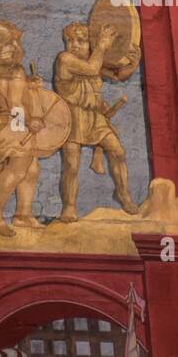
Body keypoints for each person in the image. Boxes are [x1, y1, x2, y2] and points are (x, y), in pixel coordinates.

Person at [53, 21, 138, 221]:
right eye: (70, 40)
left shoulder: (93, 60)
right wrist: (102, 45)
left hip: (95, 117)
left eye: (81, 41)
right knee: (71, 164)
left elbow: (118, 75)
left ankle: (123, 194)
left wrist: (133, 63)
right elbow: (91, 69)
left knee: (118, 152)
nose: (74, 44)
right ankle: (69, 207)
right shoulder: (65, 59)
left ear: (89, 43)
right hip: (71, 117)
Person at [0, 19, 45, 237]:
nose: (16, 46)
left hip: (9, 123)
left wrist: (28, 84)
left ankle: (23, 214)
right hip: (14, 125)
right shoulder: (14, 70)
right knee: (16, 171)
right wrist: (28, 122)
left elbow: (9, 94)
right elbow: (15, 104)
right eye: (12, 42)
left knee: (31, 169)